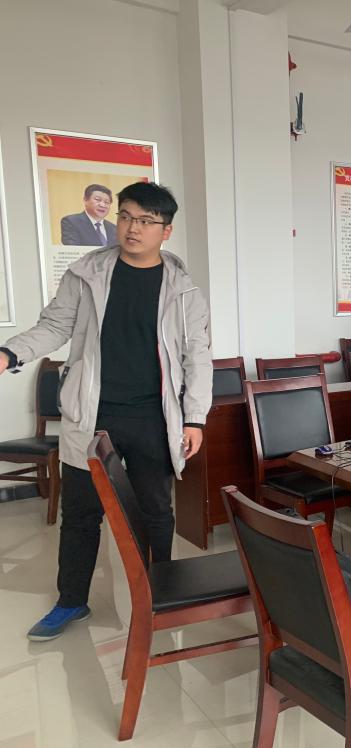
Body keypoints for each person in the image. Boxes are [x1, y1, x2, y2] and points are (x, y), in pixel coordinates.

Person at [0, 182, 212, 640]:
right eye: (127, 216)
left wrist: (195, 418)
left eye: (146, 221)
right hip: (91, 414)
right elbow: (53, 326)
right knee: (81, 513)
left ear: (166, 231)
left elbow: (198, 357)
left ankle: (158, 596)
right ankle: (71, 601)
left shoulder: (184, 290)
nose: (133, 228)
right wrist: (9, 353)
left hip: (154, 417)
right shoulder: (87, 274)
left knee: (156, 512)